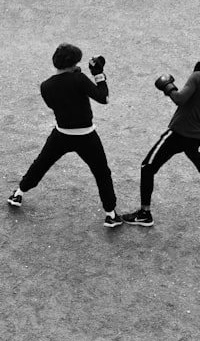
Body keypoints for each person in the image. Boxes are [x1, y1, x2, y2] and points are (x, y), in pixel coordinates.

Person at [8, 43, 123, 228]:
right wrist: (98, 75)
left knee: (41, 164)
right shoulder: (79, 79)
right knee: (102, 173)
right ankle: (111, 214)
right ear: (73, 63)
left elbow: (55, 102)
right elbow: (104, 98)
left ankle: (18, 193)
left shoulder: (46, 86)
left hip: (61, 135)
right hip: (87, 136)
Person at [123, 45, 200, 227]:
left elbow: (180, 99)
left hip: (178, 133)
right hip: (195, 135)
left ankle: (144, 213)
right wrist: (196, 76)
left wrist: (168, 86)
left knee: (147, 166)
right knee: (194, 154)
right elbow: (197, 100)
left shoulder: (198, 77)